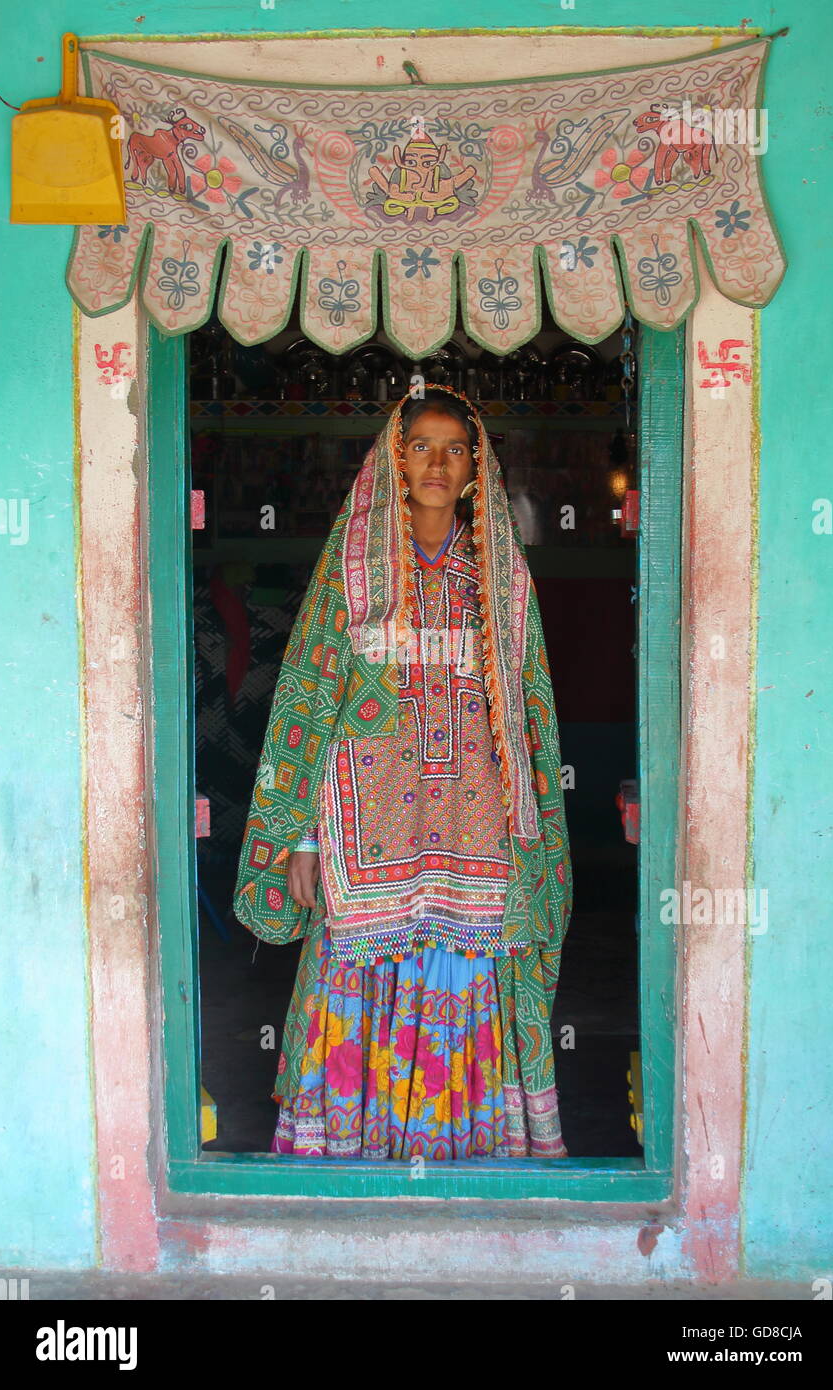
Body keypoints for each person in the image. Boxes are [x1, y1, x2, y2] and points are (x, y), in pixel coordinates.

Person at [233, 385, 573, 1160]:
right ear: (394, 457)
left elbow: (532, 719)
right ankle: (351, 1150)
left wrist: (531, 826)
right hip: (366, 838)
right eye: (421, 445)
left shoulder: (501, 582)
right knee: (354, 965)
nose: (437, 463)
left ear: (476, 467)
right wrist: (307, 837)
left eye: (456, 449)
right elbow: (310, 710)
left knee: (467, 964)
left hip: (477, 835)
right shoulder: (350, 574)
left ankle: (463, 1153)